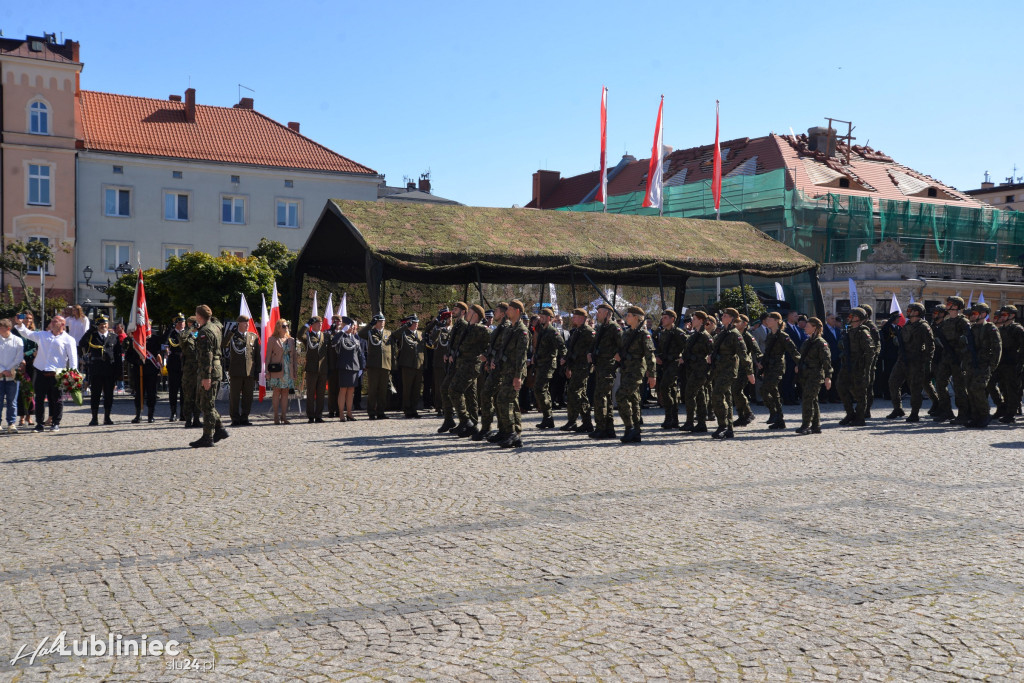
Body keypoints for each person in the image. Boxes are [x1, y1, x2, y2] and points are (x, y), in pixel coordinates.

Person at [22, 315, 77, 432]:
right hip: (41, 371)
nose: (52, 322)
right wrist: (20, 323)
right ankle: (39, 424)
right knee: (40, 398)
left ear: (62, 324)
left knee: (57, 399)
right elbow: (26, 333)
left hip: (57, 373)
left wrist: (72, 376)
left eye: (55, 321)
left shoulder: (69, 339)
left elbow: (73, 358)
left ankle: (56, 422)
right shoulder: (43, 335)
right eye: (52, 320)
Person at [613, 305, 656, 443]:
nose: (626, 317)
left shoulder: (644, 334)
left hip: (636, 370)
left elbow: (650, 355)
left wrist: (652, 375)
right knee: (633, 399)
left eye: (629, 315)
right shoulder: (626, 333)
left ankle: (629, 426)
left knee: (620, 395)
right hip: (625, 369)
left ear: (636, 318)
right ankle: (635, 430)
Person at [886, 303, 934, 423]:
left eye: (910, 310)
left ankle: (914, 413)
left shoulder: (923, 326)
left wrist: (927, 362)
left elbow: (930, 345)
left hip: (916, 361)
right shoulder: (907, 325)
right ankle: (898, 409)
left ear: (917, 312)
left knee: (915, 388)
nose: (907, 312)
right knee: (893, 382)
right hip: (902, 359)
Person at [709, 308, 752, 439]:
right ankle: (729, 428)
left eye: (726, 315)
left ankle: (722, 425)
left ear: (733, 319)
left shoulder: (735, 334)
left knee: (717, 395)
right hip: (719, 369)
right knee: (727, 398)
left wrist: (750, 372)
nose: (723, 317)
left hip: (728, 370)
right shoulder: (723, 333)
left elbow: (743, 354)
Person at [449, 304, 490, 437]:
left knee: (454, 390)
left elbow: (495, 341)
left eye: (470, 312)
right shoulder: (467, 327)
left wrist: (487, 356)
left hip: (471, 365)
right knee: (470, 396)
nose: (467, 313)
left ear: (475, 315)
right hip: (462, 364)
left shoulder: (480, 329)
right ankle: (470, 424)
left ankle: (466, 420)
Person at [189, 305, 228, 447]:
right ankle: (220, 429)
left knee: (207, 404)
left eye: (196, 314)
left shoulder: (205, 332)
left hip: (209, 370)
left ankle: (208, 436)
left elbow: (206, 356)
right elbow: (217, 321)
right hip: (215, 368)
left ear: (199, 316)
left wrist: (206, 377)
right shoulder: (216, 327)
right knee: (202, 402)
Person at [495, 300, 529, 449]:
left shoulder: (522, 330)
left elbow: (522, 356)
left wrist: (518, 376)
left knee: (504, 400)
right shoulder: (510, 329)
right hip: (507, 370)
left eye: (509, 309)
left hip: (515, 372)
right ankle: (510, 432)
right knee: (511, 402)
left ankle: (511, 433)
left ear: (517, 311)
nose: (507, 311)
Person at [961, 302, 1002, 429]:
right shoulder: (972, 329)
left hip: (984, 365)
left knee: (977, 389)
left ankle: (984, 415)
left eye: (975, 313)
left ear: (983, 314)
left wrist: (992, 366)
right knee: (970, 389)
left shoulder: (990, 328)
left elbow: (997, 348)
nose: (972, 316)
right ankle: (975, 416)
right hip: (972, 365)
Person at [759, 312, 800, 430]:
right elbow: (767, 352)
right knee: (770, 391)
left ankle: (776, 414)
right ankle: (778, 417)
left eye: (770, 319)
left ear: (777, 320)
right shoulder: (770, 335)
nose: (767, 321)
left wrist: (799, 364)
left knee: (767, 389)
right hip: (769, 366)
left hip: (777, 367)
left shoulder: (783, 336)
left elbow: (793, 351)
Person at [587, 303, 623, 439]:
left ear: (607, 313)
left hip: (608, 367)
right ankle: (608, 428)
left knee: (600, 397)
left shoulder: (614, 328)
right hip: (600, 367)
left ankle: (601, 428)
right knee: (605, 398)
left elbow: (622, 346)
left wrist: (617, 359)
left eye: (600, 312)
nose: (597, 315)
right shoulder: (602, 327)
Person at [932, 296, 970, 423]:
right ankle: (946, 411)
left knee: (959, 387)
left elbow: (969, 341)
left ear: (956, 306)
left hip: (958, 358)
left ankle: (963, 414)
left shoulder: (963, 322)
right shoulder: (947, 322)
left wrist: (961, 354)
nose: (947, 305)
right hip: (946, 357)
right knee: (940, 383)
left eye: (950, 304)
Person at [559, 307, 595, 433]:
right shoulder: (577, 331)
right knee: (581, 395)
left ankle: (573, 421)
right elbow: (571, 348)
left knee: (574, 392)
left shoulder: (588, 331)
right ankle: (586, 422)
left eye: (575, 316)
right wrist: (566, 361)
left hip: (583, 367)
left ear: (582, 318)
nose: (573, 318)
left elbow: (593, 349)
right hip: (575, 366)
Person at [794, 317, 832, 435]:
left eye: (808, 326)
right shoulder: (807, 342)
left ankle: (806, 425)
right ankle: (816, 426)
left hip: (815, 375)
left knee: (807, 399)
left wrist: (828, 377)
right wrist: (798, 365)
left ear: (815, 327)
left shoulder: (821, 343)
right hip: (805, 375)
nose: (805, 327)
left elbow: (826, 361)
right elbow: (803, 356)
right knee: (813, 400)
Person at [530, 307, 567, 430]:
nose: (540, 319)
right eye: (540, 317)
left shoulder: (552, 331)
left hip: (548, 364)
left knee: (540, 388)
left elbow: (562, 347)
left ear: (549, 318)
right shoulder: (542, 331)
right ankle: (548, 417)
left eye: (543, 317)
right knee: (541, 389)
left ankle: (548, 417)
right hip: (540, 363)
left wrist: (564, 360)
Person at [837, 307, 874, 426]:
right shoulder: (848, 331)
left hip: (859, 366)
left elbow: (870, 352)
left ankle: (860, 417)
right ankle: (850, 413)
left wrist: (867, 370)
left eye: (852, 316)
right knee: (841, 387)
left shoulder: (863, 332)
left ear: (858, 318)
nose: (849, 318)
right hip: (847, 364)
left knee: (859, 393)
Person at [82, 315, 122, 426]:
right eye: (100, 324)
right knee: (95, 394)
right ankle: (94, 418)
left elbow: (118, 355)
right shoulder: (92, 336)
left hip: (110, 369)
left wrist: (119, 373)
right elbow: (82, 343)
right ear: (97, 326)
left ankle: (107, 417)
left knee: (109, 395)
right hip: (96, 369)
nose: (103, 326)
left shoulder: (114, 337)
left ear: (108, 325)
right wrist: (90, 330)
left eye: (104, 324)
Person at [437, 303, 468, 432]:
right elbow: (453, 342)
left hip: (460, 364)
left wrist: (455, 355)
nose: (453, 311)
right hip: (452, 363)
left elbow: (464, 344)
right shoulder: (456, 325)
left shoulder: (465, 326)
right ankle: (449, 419)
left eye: (456, 309)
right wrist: (448, 354)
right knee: (444, 388)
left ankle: (465, 421)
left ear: (463, 312)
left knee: (457, 391)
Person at [653, 309, 686, 430]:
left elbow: (687, 346)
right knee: (671, 391)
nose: (663, 319)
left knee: (664, 387)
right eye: (662, 317)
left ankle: (669, 417)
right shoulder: (662, 332)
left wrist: (682, 358)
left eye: (666, 317)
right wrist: (657, 356)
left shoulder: (678, 332)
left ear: (673, 319)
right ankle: (673, 418)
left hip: (674, 363)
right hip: (665, 363)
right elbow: (657, 347)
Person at [225, 314, 260, 426]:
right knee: (234, 397)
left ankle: (245, 417)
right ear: (239, 324)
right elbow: (223, 344)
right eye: (244, 323)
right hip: (236, 372)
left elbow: (256, 356)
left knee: (248, 397)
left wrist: (257, 372)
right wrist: (231, 332)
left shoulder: (253, 336)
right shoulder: (233, 337)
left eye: (248, 323)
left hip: (249, 372)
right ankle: (235, 418)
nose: (247, 325)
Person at [991, 305, 1024, 424]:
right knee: (992, 384)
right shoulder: (1001, 329)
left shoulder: (1017, 329)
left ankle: (1011, 414)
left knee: (1011, 390)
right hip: (1001, 363)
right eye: (1001, 315)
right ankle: (1002, 407)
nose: (1001, 317)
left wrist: (1020, 363)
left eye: (1004, 315)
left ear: (1012, 316)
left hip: (1012, 364)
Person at [391, 313, 426, 418]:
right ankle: (407, 409)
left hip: (418, 365)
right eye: (414, 323)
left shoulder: (420, 334)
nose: (416, 325)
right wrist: (405, 326)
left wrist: (425, 364)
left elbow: (424, 350)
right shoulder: (404, 333)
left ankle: (414, 409)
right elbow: (394, 335)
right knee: (407, 389)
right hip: (407, 365)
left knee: (416, 389)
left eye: (417, 323)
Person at [359, 313, 393, 419]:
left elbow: (392, 349)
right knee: (373, 390)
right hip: (373, 365)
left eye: (383, 321)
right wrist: (370, 324)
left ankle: (381, 411)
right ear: (376, 323)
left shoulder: (388, 333)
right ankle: (371, 412)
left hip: (385, 365)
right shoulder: (370, 332)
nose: (382, 323)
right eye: (379, 321)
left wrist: (392, 364)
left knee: (383, 390)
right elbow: (361, 334)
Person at [732, 314, 762, 428]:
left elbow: (757, 351)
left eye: (740, 321)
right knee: (735, 392)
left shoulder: (748, 336)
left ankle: (748, 413)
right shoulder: (734, 334)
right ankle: (741, 416)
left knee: (737, 391)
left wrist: (759, 363)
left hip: (744, 368)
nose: (737, 322)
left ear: (745, 323)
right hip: (735, 367)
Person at [266, 319, 298, 425]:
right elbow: (268, 356)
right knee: (276, 392)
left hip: (288, 370)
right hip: (277, 369)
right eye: (284, 326)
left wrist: (295, 371)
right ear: (278, 328)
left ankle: (284, 416)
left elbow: (294, 357)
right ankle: (275, 416)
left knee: (285, 392)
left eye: (287, 326)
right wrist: (267, 371)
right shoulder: (272, 339)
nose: (286, 328)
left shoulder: (291, 340)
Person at [128, 328, 162, 424]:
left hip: (151, 371)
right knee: (139, 394)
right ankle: (138, 415)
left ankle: (150, 416)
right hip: (139, 371)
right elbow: (128, 356)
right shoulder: (135, 340)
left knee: (152, 394)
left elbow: (159, 350)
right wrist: (136, 361)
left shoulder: (155, 339)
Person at [333, 318, 364, 421]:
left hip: (354, 368)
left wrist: (361, 367)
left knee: (351, 391)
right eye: (350, 325)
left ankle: (349, 413)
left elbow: (359, 354)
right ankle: (341, 413)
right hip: (344, 367)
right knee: (343, 390)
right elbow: (333, 342)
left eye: (353, 326)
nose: (352, 327)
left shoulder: (355, 339)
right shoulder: (341, 337)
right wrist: (342, 331)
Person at [302, 315, 330, 423]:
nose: (320, 325)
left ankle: (319, 415)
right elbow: (300, 335)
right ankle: (310, 415)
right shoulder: (308, 336)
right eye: (318, 323)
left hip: (322, 369)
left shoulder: (325, 336)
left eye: (321, 323)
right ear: (312, 325)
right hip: (312, 369)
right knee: (310, 393)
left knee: (321, 394)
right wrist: (306, 325)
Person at [425, 307, 452, 416]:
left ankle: (448, 406)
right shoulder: (437, 329)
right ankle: (439, 406)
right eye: (446, 317)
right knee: (439, 386)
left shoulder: (453, 329)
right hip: (438, 362)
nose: (448, 319)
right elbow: (430, 338)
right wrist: (437, 324)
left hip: (450, 362)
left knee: (449, 385)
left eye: (449, 317)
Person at [0, 319, 25, 433]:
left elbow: (19, 358)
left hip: (12, 375)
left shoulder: (17, 340)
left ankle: (11, 423)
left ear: (8, 328)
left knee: (12, 401)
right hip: (0, 374)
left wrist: (9, 369)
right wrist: (3, 370)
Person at [164, 314, 186, 421]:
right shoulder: (171, 334)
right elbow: (164, 343)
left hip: (185, 365)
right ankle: (173, 412)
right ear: (176, 324)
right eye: (179, 322)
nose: (181, 324)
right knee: (173, 390)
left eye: (183, 322)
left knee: (184, 391)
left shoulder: (188, 333)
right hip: (173, 365)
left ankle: (183, 413)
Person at [325, 315, 343, 418]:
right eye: (335, 321)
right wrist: (330, 332)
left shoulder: (344, 333)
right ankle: (332, 410)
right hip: (331, 364)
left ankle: (339, 410)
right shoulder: (328, 333)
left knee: (341, 389)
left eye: (339, 321)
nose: (337, 322)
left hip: (341, 364)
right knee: (332, 390)